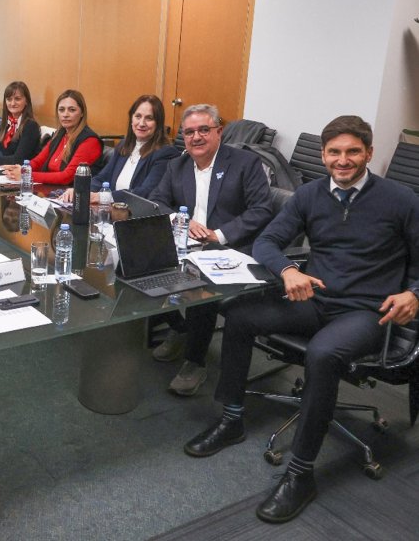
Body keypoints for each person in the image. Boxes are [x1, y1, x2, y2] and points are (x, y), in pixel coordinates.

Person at [185, 115, 419, 523]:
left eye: (352, 151)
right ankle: (232, 419)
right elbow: (268, 241)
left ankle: (300, 474)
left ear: (369, 152)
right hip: (317, 299)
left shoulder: (401, 200)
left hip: (366, 312)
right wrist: (288, 271)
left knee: (323, 355)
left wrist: (413, 293)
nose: (342, 160)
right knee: (238, 316)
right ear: (324, 155)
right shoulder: (310, 195)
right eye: (334, 152)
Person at [148, 104, 272, 395]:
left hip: (232, 250)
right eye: (189, 132)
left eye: (204, 129)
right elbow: (157, 201)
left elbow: (262, 209)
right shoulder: (177, 165)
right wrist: (182, 221)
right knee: (135, 265)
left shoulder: (245, 163)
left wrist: (219, 235)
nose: (196, 137)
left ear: (219, 131)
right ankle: (181, 329)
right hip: (187, 243)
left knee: (201, 286)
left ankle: (195, 361)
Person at [59, 95, 179, 204]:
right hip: (111, 212)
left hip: (136, 217)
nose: (141, 123)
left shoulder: (165, 153)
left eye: (149, 118)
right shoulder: (124, 146)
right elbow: (102, 178)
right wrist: (80, 190)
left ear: (158, 123)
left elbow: (145, 193)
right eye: (138, 116)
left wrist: (100, 197)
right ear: (131, 119)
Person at [2, 89, 102, 186]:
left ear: (82, 113)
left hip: (71, 195)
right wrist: (20, 170)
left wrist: (26, 175)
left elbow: (66, 177)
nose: (65, 115)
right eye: (61, 110)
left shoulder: (90, 141)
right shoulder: (60, 134)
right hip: (51, 191)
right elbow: (38, 161)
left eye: (72, 110)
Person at [0, 81, 41, 167]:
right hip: (6, 171)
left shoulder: (31, 126)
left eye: (17, 99)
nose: (12, 103)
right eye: (9, 99)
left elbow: (18, 160)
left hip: (23, 174)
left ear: (26, 101)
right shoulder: (5, 123)